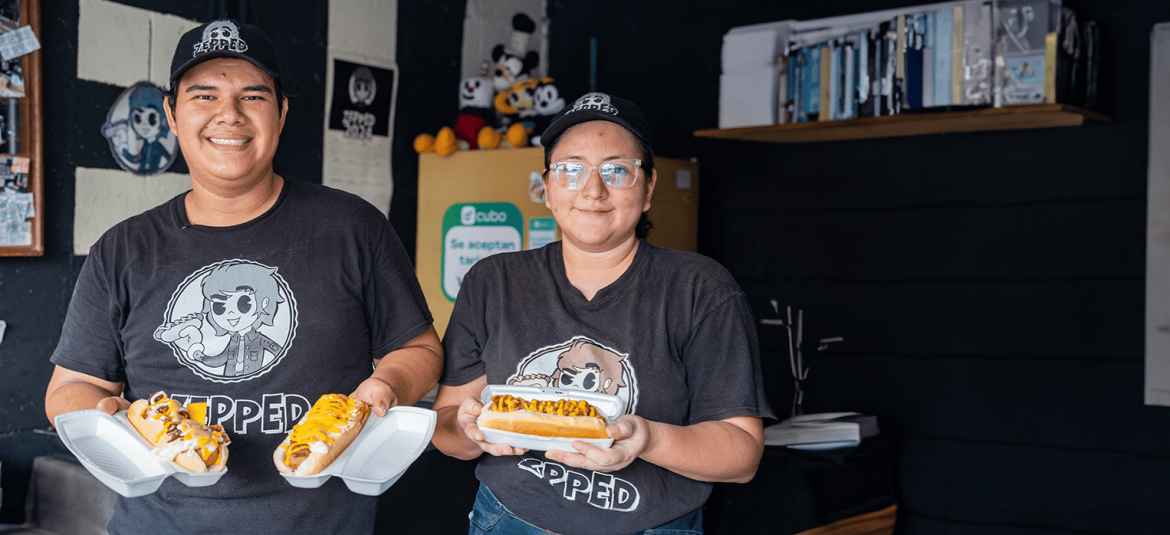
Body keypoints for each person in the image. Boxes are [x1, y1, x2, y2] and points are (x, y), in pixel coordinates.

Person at [43, 19, 441, 534]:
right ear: (171, 113)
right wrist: (108, 416)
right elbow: (70, 387)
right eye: (204, 95)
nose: (228, 115)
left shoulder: (353, 226)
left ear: (281, 112)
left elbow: (422, 351)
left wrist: (385, 384)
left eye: (253, 96)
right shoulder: (123, 248)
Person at [431, 92, 775, 535]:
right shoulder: (492, 281)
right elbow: (447, 427)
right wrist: (468, 431)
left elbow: (742, 455)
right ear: (547, 188)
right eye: (571, 170)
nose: (593, 191)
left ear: (648, 188)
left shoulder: (700, 288)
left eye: (617, 170)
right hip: (509, 522)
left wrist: (648, 439)